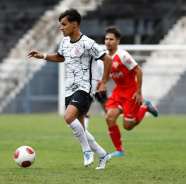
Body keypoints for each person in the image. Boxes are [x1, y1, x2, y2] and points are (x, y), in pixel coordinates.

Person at [28, 8, 113, 170]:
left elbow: (107, 59)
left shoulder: (88, 43)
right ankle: (103, 154)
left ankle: (86, 151)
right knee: (80, 128)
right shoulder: (65, 42)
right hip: (69, 89)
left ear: (74, 24)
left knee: (68, 117)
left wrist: (103, 82)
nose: (61, 28)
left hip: (84, 88)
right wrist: (43, 56)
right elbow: (61, 57)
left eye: (64, 24)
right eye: (61, 24)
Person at [102, 26, 158, 157]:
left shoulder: (123, 56)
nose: (108, 41)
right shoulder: (106, 57)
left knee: (128, 126)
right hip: (118, 91)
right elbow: (113, 74)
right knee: (109, 118)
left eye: (111, 39)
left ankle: (145, 106)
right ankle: (120, 150)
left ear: (117, 41)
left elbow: (138, 70)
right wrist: (102, 81)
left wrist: (139, 92)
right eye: (106, 39)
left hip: (130, 92)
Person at [85, 60, 108, 130]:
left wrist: (100, 81)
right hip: (90, 88)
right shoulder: (87, 61)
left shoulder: (100, 62)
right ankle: (85, 128)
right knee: (86, 107)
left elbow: (104, 73)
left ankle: (111, 126)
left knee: (106, 108)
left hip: (100, 88)